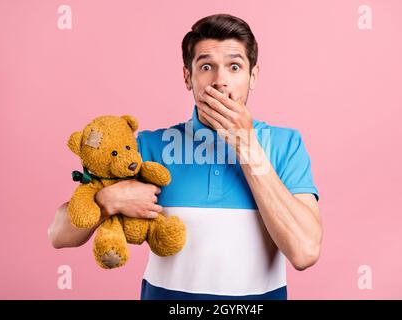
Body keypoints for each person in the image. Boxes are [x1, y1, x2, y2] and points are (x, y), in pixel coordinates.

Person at [48, 14, 322, 300]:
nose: (220, 82)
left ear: (252, 76)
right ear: (187, 77)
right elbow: (58, 234)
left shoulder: (286, 144)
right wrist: (107, 202)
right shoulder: (146, 147)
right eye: (206, 67)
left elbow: (305, 252)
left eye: (235, 67)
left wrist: (248, 149)